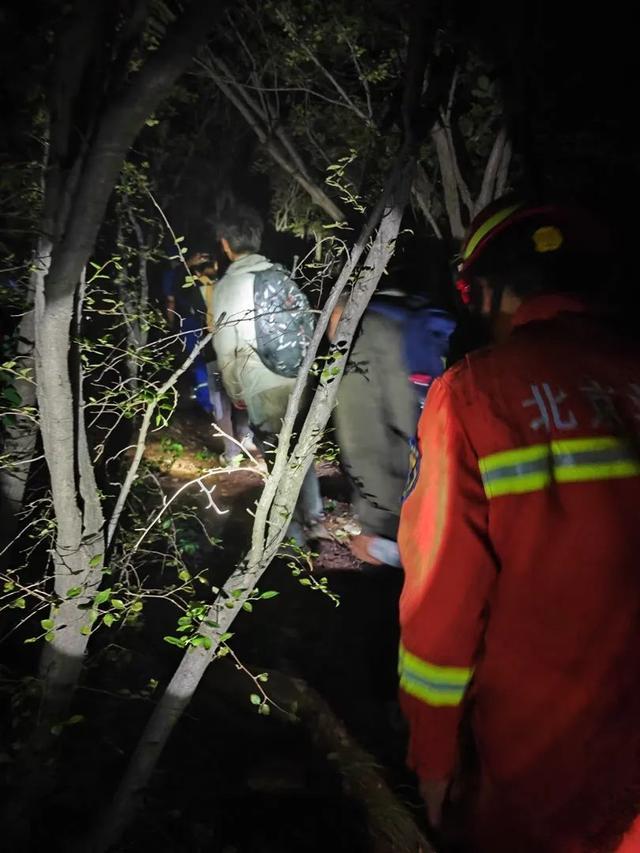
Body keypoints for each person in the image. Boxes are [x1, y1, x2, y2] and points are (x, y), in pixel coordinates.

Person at [397, 200, 640, 852]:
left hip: (542, 759)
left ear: (488, 293)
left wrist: (433, 753)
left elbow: (442, 602)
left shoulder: (475, 394)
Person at [211, 205, 324, 544]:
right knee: (302, 452)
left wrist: (235, 393)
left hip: (263, 384)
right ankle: (315, 517)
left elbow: (226, 349)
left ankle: (291, 536)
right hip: (298, 378)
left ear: (226, 245)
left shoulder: (228, 286)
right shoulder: (279, 274)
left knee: (278, 462)